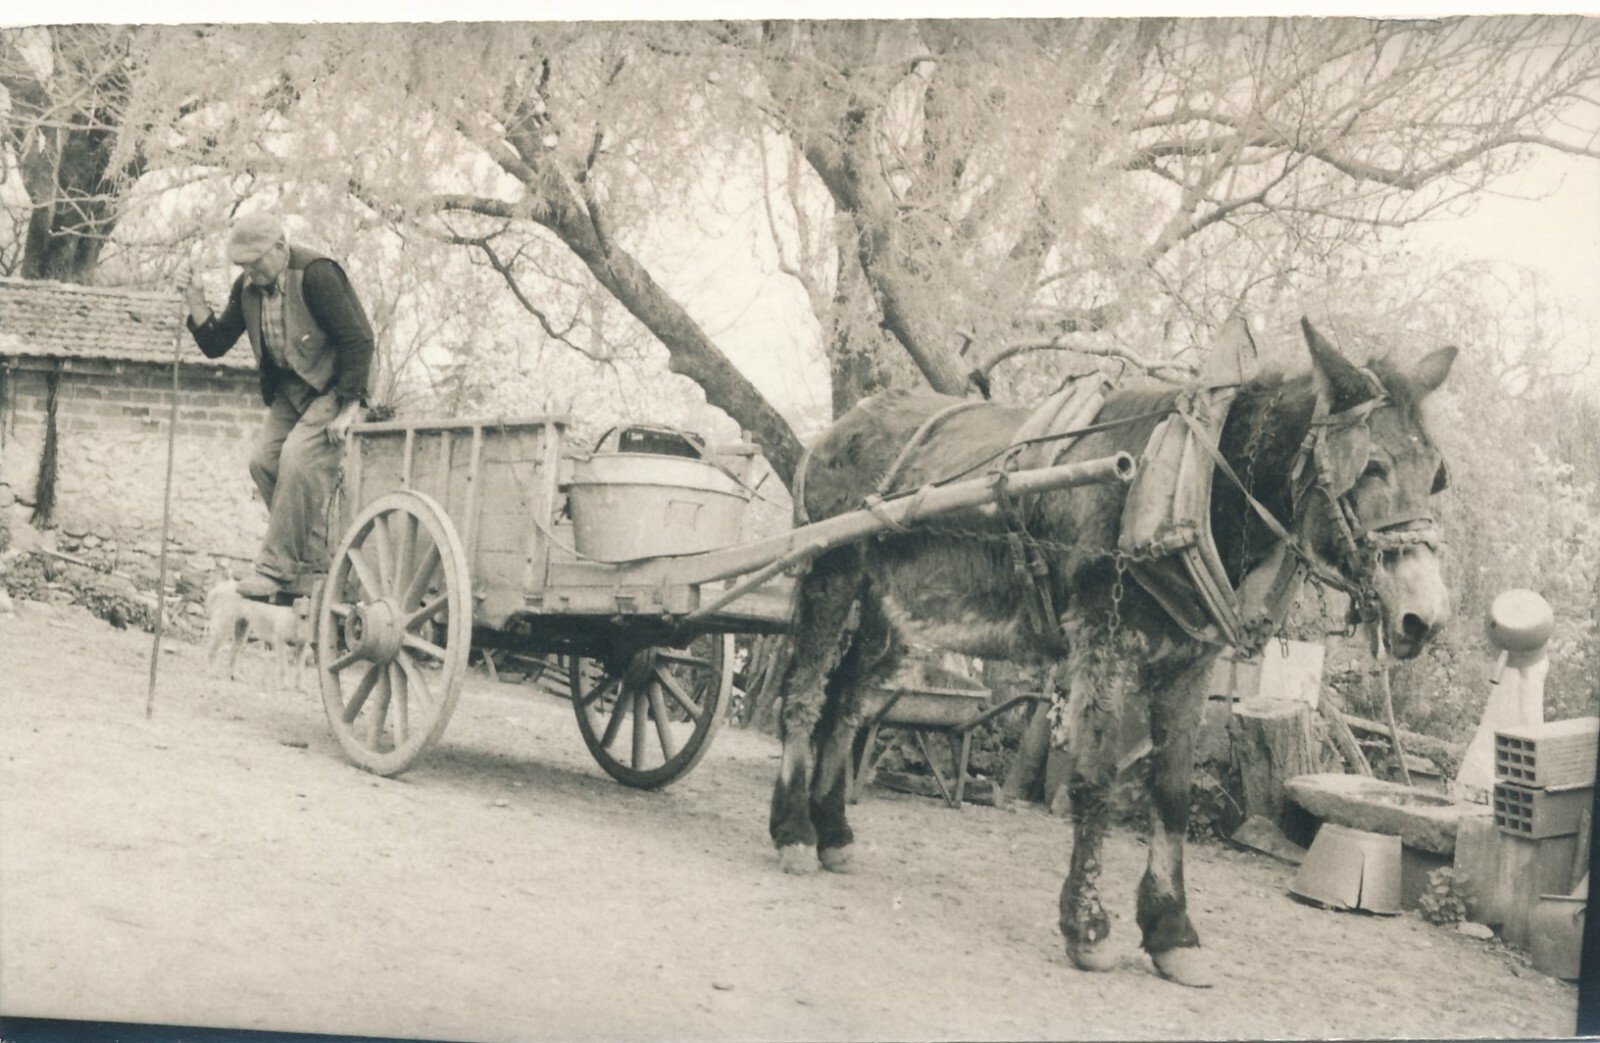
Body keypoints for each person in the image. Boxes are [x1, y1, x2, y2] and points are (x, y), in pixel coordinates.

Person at [177, 212, 375, 600]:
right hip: (292, 390)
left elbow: (359, 340)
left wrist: (350, 408)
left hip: (337, 386)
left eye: (255, 262)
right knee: (263, 462)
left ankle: (275, 569)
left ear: (281, 248)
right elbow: (216, 344)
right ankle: (313, 567)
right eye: (243, 265)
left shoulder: (317, 275)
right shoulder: (247, 288)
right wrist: (196, 299)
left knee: (297, 460)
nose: (250, 272)